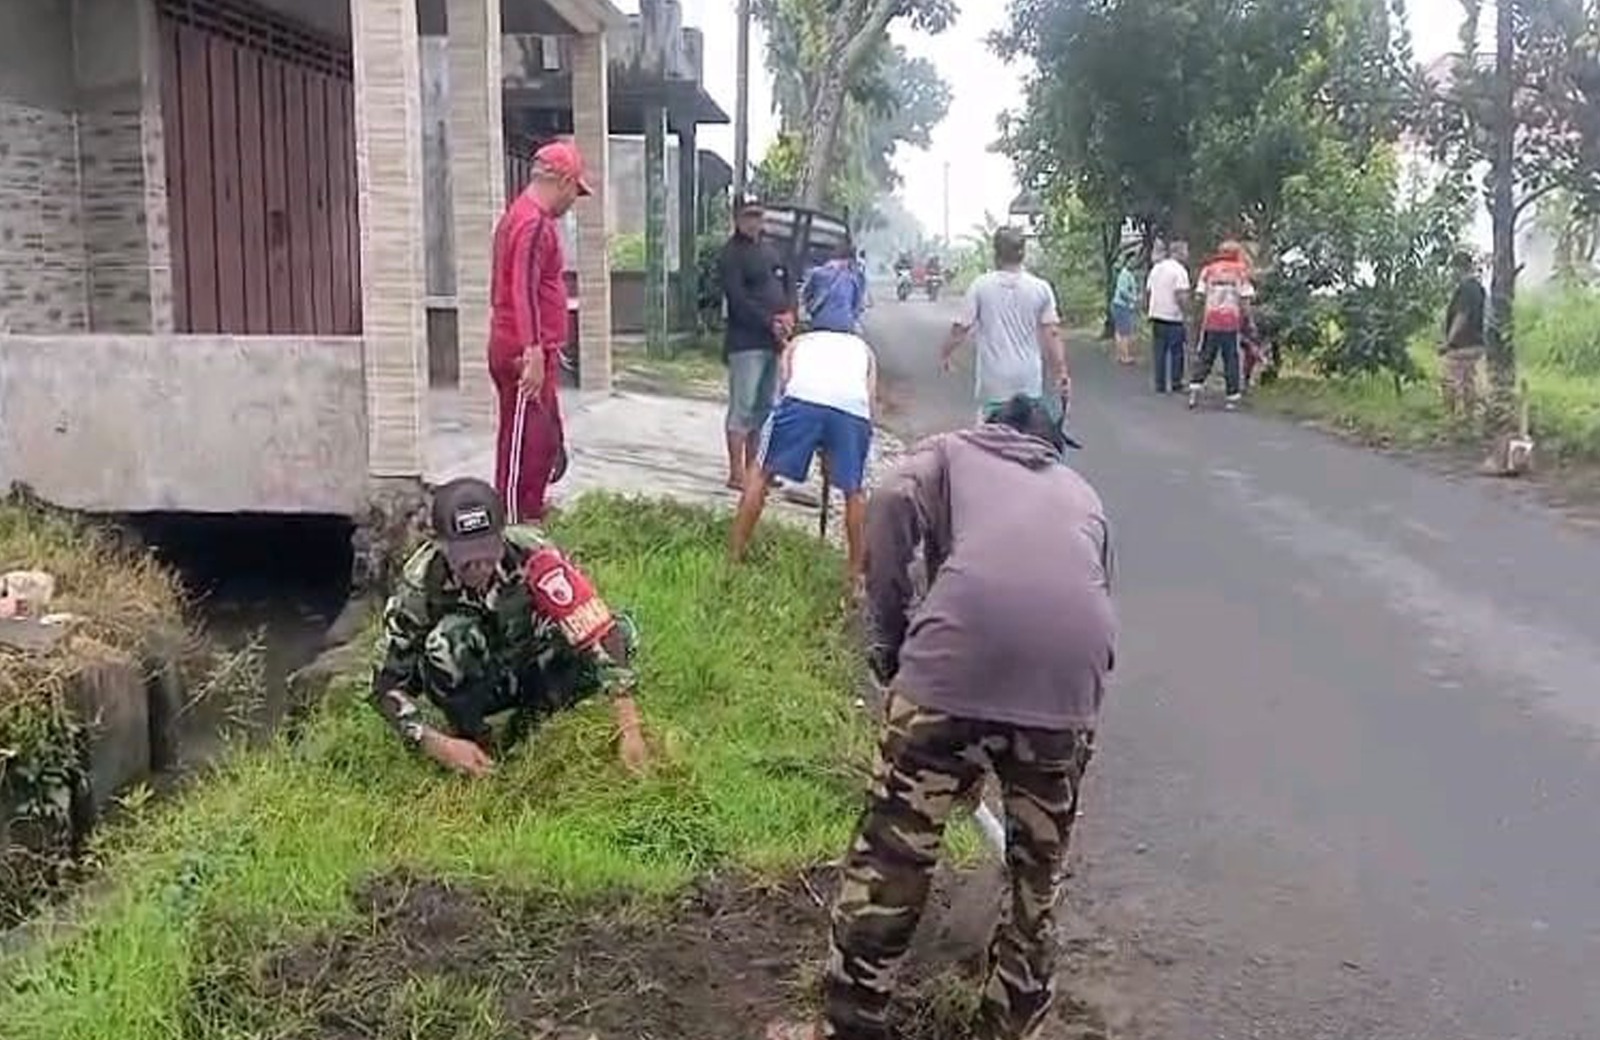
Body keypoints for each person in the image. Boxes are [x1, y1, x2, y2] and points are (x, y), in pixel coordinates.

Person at [766, 395, 1113, 1040]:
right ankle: (1010, 1026)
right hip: (1066, 690)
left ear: (990, 429)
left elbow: (890, 500)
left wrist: (891, 642)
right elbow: (1086, 604)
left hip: (950, 667)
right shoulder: (1081, 496)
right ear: (1050, 447)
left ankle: (849, 1027)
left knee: (892, 856)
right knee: (1037, 882)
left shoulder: (950, 451)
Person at [370, 477, 649, 779]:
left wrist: (629, 729)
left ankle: (535, 716)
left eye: (486, 548)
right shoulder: (420, 584)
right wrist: (436, 744)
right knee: (448, 642)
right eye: (465, 555)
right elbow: (384, 686)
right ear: (440, 544)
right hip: (470, 679)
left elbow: (595, 628)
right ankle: (473, 736)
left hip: (524, 660)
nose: (479, 564)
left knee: (621, 634)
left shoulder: (533, 554)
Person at [729, 295, 878, 586]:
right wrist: (835, 448)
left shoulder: (800, 343)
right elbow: (869, 401)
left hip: (802, 401)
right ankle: (855, 574)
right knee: (854, 490)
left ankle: (735, 555)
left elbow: (785, 385)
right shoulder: (864, 350)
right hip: (852, 411)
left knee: (761, 472)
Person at [489, 139, 590, 524]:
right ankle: (512, 523)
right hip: (521, 350)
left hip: (536, 349)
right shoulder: (530, 222)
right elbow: (522, 288)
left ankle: (531, 511)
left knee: (543, 441)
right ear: (562, 181)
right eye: (575, 190)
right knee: (521, 444)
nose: (573, 201)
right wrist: (531, 350)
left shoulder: (530, 220)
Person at [940, 226, 1069, 423]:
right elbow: (1052, 334)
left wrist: (945, 353)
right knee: (1028, 434)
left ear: (996, 254)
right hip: (1028, 381)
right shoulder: (1041, 288)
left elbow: (961, 328)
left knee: (989, 437)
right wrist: (1061, 373)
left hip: (994, 383)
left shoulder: (980, 286)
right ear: (1023, 254)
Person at [720, 194, 791, 490]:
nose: (754, 222)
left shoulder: (771, 250)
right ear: (737, 218)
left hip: (773, 342)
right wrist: (768, 321)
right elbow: (737, 300)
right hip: (745, 342)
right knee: (743, 407)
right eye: (748, 216)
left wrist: (788, 314)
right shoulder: (731, 254)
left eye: (758, 215)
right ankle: (736, 473)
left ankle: (755, 469)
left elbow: (786, 283)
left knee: (765, 408)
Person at [1186, 240, 1254, 411]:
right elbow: (1245, 299)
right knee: (1231, 359)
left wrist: (1199, 314)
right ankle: (1232, 398)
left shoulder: (1208, 270)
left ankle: (1194, 391)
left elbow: (1199, 296)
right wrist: (1249, 319)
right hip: (1231, 322)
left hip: (1211, 320)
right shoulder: (1240, 271)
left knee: (1206, 356)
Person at [1441, 250, 1487, 418]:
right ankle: (1469, 417)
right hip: (1477, 343)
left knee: (1449, 382)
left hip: (1461, 346)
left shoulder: (1465, 289)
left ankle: (1452, 418)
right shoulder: (1479, 289)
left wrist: (1448, 342)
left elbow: (1462, 316)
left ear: (1459, 268)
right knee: (1469, 383)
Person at [1146, 240, 1191, 394]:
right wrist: (1186, 312)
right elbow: (1181, 294)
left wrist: (1150, 308)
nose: (1187, 255)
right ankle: (1176, 382)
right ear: (1178, 253)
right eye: (1185, 251)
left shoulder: (1156, 268)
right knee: (1176, 351)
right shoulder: (1180, 271)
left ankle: (1160, 383)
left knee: (1159, 350)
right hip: (1173, 316)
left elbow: (1149, 291)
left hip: (1157, 314)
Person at [802, 239, 867, 335]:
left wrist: (810, 309)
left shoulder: (817, 273)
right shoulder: (855, 277)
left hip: (819, 323)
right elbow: (858, 305)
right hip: (845, 325)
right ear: (851, 260)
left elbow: (806, 296)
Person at [1111, 255, 1140, 365]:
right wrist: (1133, 299)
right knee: (1125, 332)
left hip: (1119, 305)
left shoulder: (1127, 274)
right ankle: (1125, 356)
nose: (1133, 263)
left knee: (1119, 331)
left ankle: (1120, 355)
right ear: (1127, 261)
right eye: (1131, 260)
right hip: (1122, 306)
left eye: (1135, 260)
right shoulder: (1125, 274)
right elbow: (1123, 292)